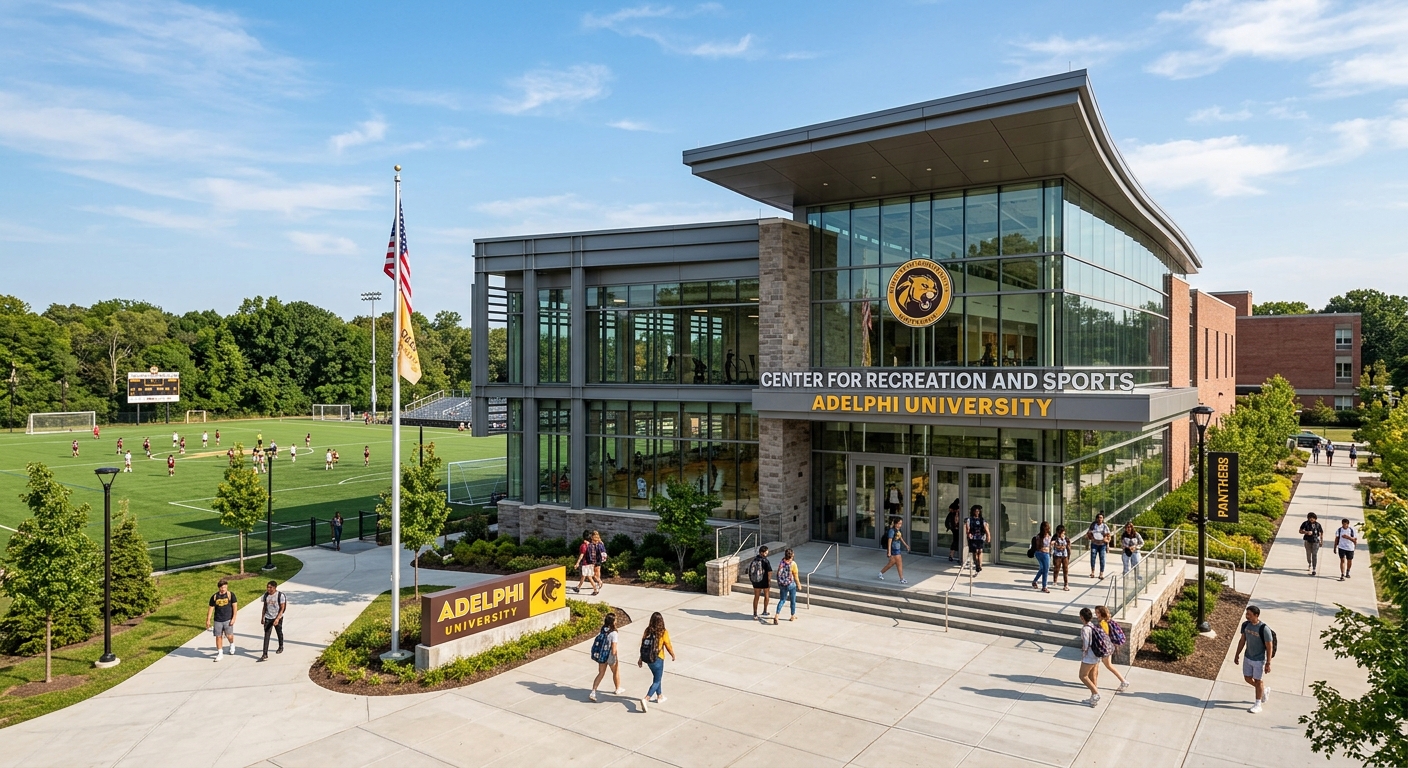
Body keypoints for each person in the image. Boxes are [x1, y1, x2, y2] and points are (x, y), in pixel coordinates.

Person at [1233, 605, 1274, 713]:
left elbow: (1269, 646)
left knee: (1258, 680)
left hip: (1259, 659)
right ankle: (1263, 690)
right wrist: (1237, 654)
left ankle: (1258, 704)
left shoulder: (1264, 629)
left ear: (1256, 615)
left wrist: (1268, 663)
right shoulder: (1246, 625)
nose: (1247, 616)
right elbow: (1242, 640)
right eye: (1247, 614)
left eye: (1249, 615)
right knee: (1247, 678)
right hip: (1248, 657)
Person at [638, 611, 676, 710]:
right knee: (657, 680)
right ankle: (646, 698)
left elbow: (643, 644)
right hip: (658, 658)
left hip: (648, 659)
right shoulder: (663, 631)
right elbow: (667, 645)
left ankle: (660, 696)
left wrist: (640, 658)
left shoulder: (647, 630)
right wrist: (672, 654)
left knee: (656, 677)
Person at [1094, 605, 1130, 693]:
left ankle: (1123, 681)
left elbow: (1104, 636)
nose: (1096, 614)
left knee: (1106, 665)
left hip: (1104, 648)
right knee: (1106, 665)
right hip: (1108, 647)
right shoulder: (1107, 621)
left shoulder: (1103, 623)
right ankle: (1123, 681)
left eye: (1097, 612)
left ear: (1102, 613)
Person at [588, 612, 622, 702]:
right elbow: (614, 649)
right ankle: (618, 688)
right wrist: (615, 657)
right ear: (613, 622)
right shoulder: (614, 633)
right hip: (610, 656)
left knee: (601, 673)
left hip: (602, 656)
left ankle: (593, 691)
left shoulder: (603, 629)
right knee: (615, 671)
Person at [206, 578, 238, 661]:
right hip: (218, 620)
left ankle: (231, 644)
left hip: (228, 619)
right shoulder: (215, 597)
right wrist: (208, 620)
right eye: (222, 587)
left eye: (225, 587)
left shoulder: (231, 595)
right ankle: (220, 653)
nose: (223, 589)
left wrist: (234, 618)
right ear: (219, 588)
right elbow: (211, 609)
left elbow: (235, 607)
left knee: (229, 635)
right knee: (218, 636)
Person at [1078, 607, 1102, 707]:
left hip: (1089, 656)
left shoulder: (1085, 629)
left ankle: (1096, 693)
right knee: (1093, 676)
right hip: (1097, 654)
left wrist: (1084, 652)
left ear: (1082, 617)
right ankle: (1093, 699)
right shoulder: (1094, 626)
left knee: (1082, 676)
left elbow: (1086, 643)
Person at [259, 580, 287, 661]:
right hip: (268, 617)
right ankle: (265, 654)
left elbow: (282, 608)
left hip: (277, 617)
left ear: (275, 587)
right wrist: (262, 617)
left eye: (270, 587)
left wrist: (278, 618)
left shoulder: (280, 595)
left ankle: (281, 646)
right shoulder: (265, 595)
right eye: (267, 587)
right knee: (266, 635)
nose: (268, 589)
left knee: (279, 632)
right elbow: (264, 607)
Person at [879, 517, 909, 583]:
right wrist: (889, 552)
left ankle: (881, 573)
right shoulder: (892, 531)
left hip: (897, 548)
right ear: (895, 523)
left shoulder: (898, 530)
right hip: (894, 549)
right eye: (898, 523)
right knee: (899, 563)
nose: (899, 525)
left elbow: (900, 538)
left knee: (891, 563)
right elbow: (889, 541)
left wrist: (906, 545)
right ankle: (901, 579)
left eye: (901, 523)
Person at [748, 545, 773, 620]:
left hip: (756, 581)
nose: (767, 553)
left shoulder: (754, 560)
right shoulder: (765, 560)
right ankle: (765, 610)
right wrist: (769, 581)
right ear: (763, 553)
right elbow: (769, 571)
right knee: (766, 596)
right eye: (766, 552)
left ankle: (755, 613)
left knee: (756, 597)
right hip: (764, 581)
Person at [775, 548, 799, 622]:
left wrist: (779, 582)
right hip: (791, 584)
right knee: (793, 600)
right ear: (792, 555)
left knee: (782, 600)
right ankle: (792, 615)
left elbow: (778, 573)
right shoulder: (793, 564)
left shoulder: (781, 562)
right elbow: (795, 575)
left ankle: (777, 615)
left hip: (782, 584)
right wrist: (798, 584)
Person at [966, 505, 990, 573]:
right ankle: (977, 564)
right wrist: (968, 534)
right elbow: (968, 529)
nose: (977, 512)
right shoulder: (969, 519)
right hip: (973, 537)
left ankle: (980, 565)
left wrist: (988, 536)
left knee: (980, 551)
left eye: (978, 511)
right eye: (976, 511)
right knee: (975, 551)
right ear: (973, 512)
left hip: (980, 537)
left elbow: (986, 528)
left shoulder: (982, 520)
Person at [1087, 513, 1111, 579]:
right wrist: (1091, 538)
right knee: (1093, 558)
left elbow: (1108, 535)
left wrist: (1106, 540)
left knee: (1102, 558)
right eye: (1099, 518)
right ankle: (1092, 572)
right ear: (1097, 518)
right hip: (1094, 544)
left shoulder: (1105, 526)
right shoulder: (1093, 525)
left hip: (1102, 544)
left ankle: (1101, 573)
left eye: (1101, 518)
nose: (1100, 519)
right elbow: (1088, 533)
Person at [1031, 521, 1052, 592]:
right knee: (1046, 570)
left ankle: (1035, 581)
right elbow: (1047, 546)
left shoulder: (1038, 536)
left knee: (1042, 568)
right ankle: (1044, 586)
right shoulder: (1045, 537)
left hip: (1038, 553)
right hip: (1044, 554)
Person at [1051, 525, 1072, 591]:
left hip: (1064, 555)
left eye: (1062, 533)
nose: (1061, 535)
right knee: (1057, 567)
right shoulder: (1055, 538)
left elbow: (1068, 547)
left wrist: (1068, 555)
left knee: (1065, 569)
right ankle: (1055, 580)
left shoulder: (1066, 538)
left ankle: (1066, 584)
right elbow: (1053, 544)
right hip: (1057, 555)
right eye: (1059, 533)